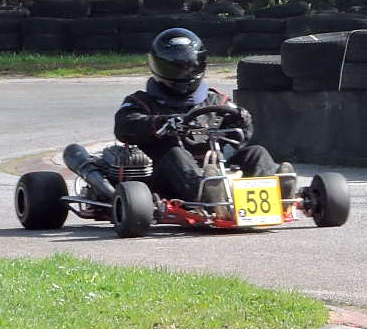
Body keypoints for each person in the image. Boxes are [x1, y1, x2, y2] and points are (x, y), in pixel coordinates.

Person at [113, 27, 278, 202]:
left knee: (256, 153)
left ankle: (276, 192)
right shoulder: (141, 102)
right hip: (164, 179)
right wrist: (162, 123)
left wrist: (243, 121)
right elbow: (125, 125)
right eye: (175, 69)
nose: (183, 74)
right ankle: (207, 194)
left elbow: (241, 138)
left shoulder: (216, 101)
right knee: (176, 154)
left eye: (189, 67)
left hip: (215, 168)